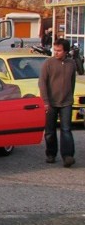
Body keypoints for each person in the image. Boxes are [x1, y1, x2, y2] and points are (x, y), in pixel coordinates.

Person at [39, 38, 76, 167]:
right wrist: (45, 101)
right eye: (55, 50)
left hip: (66, 102)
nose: (56, 52)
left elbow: (72, 82)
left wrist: (69, 97)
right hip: (51, 102)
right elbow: (42, 83)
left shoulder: (71, 63)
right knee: (50, 131)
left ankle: (68, 156)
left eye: (59, 50)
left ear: (65, 51)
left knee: (66, 129)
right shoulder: (48, 63)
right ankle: (51, 154)